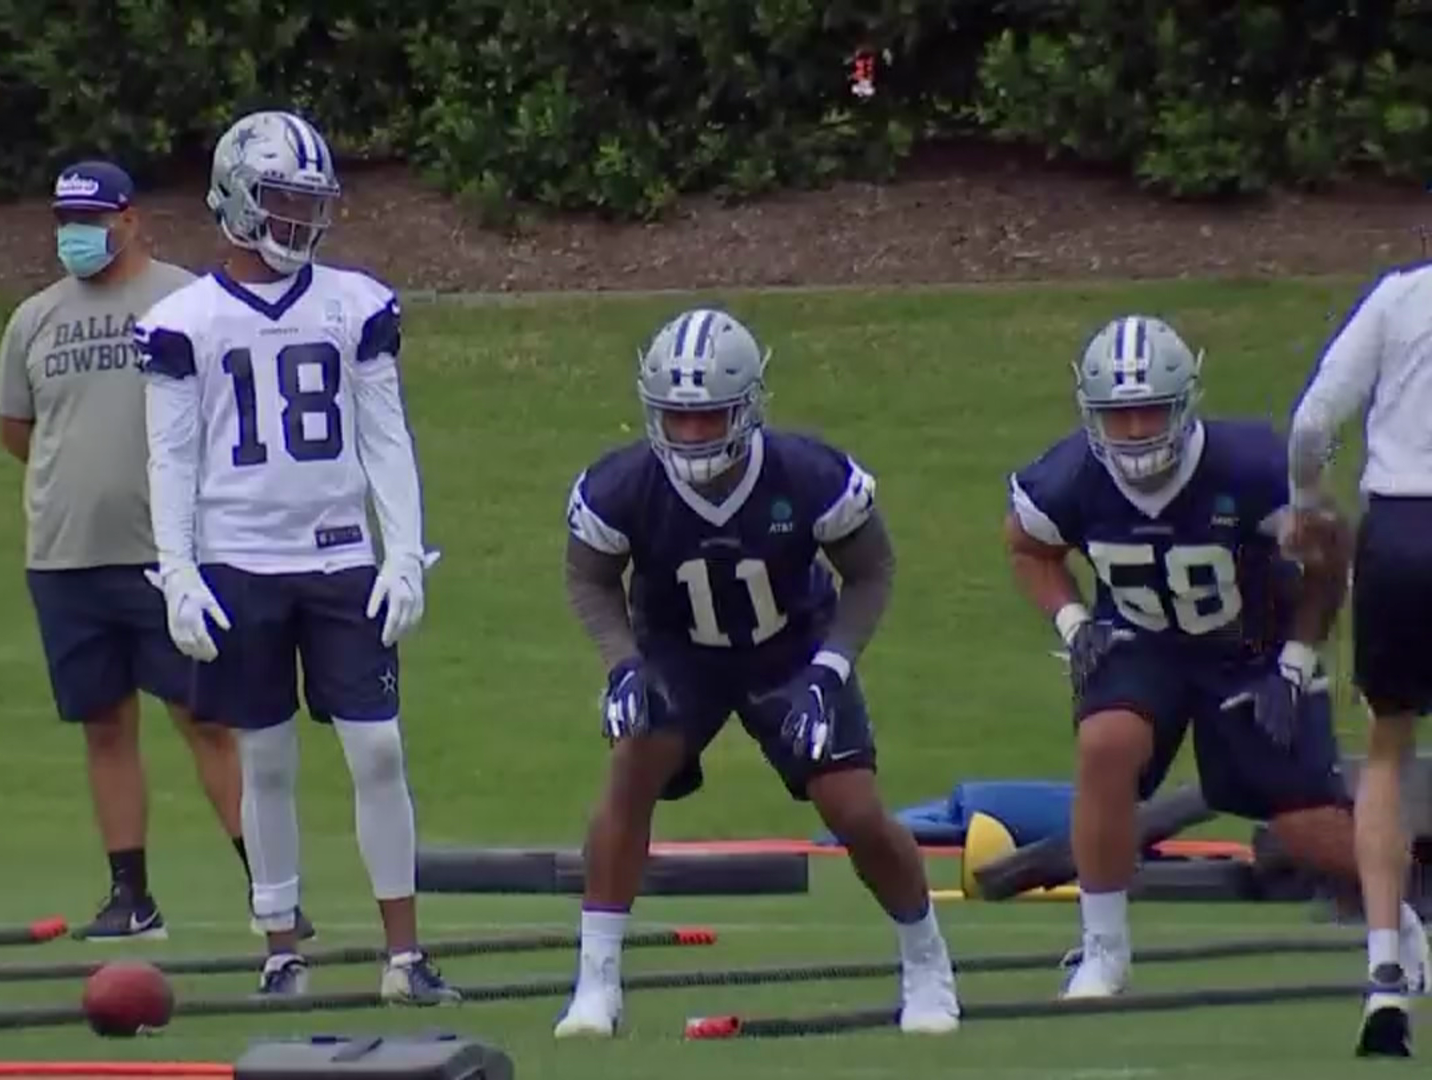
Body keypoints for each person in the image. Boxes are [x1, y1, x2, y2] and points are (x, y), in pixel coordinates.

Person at [553, 307, 961, 1038]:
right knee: (630, 769)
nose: (694, 434)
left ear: (748, 408)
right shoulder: (622, 487)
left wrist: (830, 669)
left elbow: (870, 572)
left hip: (791, 649)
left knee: (855, 811)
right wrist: (622, 667)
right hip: (680, 653)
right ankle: (597, 984)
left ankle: (927, 963)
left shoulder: (806, 474)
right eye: (678, 418)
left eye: (711, 417)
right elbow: (589, 578)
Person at [1005, 314, 1428, 1015]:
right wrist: (1074, 621)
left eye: (1150, 411)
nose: (1137, 431)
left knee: (1305, 827)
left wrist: (1294, 662)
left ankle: (1401, 924)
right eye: (1119, 415)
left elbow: (1329, 562)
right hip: (1141, 644)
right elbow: (1029, 546)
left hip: (1252, 652)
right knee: (1105, 745)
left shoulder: (1253, 467)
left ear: (1184, 404)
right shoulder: (1070, 475)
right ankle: (1103, 948)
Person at [137, 109, 453, 1002]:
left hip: (341, 555)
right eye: (281, 199)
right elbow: (170, 452)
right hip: (240, 557)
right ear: (235, 195)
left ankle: (404, 955)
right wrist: (180, 568)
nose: (298, 220)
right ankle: (281, 950)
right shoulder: (183, 320)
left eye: (309, 202)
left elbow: (387, 436)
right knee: (265, 757)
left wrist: (401, 553)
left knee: (379, 748)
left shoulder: (355, 302)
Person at [0, 159, 314, 942]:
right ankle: (130, 894)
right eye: (67, 220)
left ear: (131, 220)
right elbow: (14, 428)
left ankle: (271, 889)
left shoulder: (183, 300)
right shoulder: (35, 317)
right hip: (66, 555)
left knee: (205, 720)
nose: (79, 235)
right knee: (104, 724)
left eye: (94, 220)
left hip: (168, 555)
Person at [1286, 267, 1432, 1057]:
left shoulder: (1400, 296)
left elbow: (1312, 424)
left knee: (1387, 749)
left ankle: (1384, 967)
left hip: (1401, 533)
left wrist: (1308, 501)